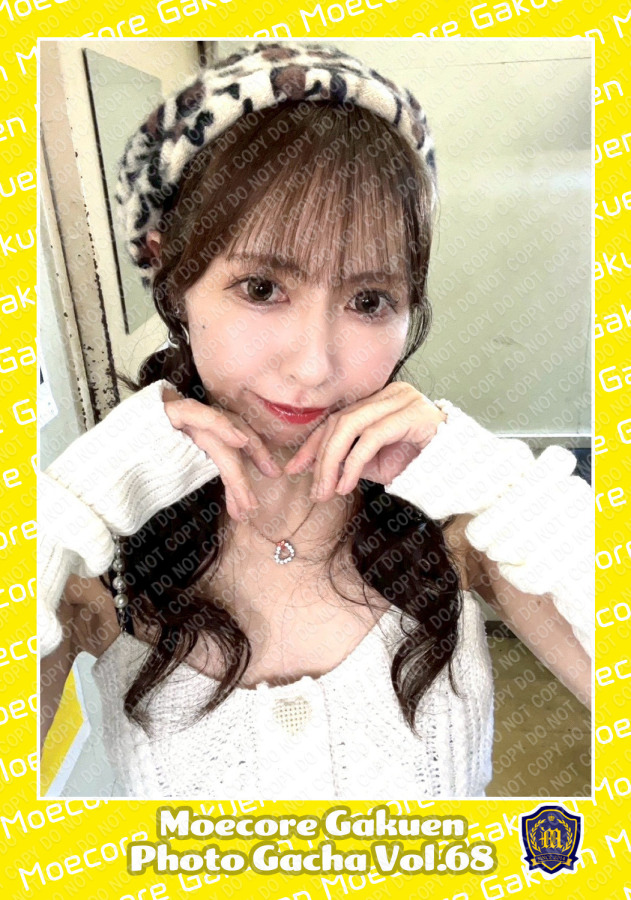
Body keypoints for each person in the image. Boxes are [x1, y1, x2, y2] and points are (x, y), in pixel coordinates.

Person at [39, 41, 593, 800]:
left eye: (368, 301)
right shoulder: (102, 569)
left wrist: (501, 488)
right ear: (172, 275)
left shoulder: (464, 533)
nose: (312, 365)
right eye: (262, 288)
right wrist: (68, 509)